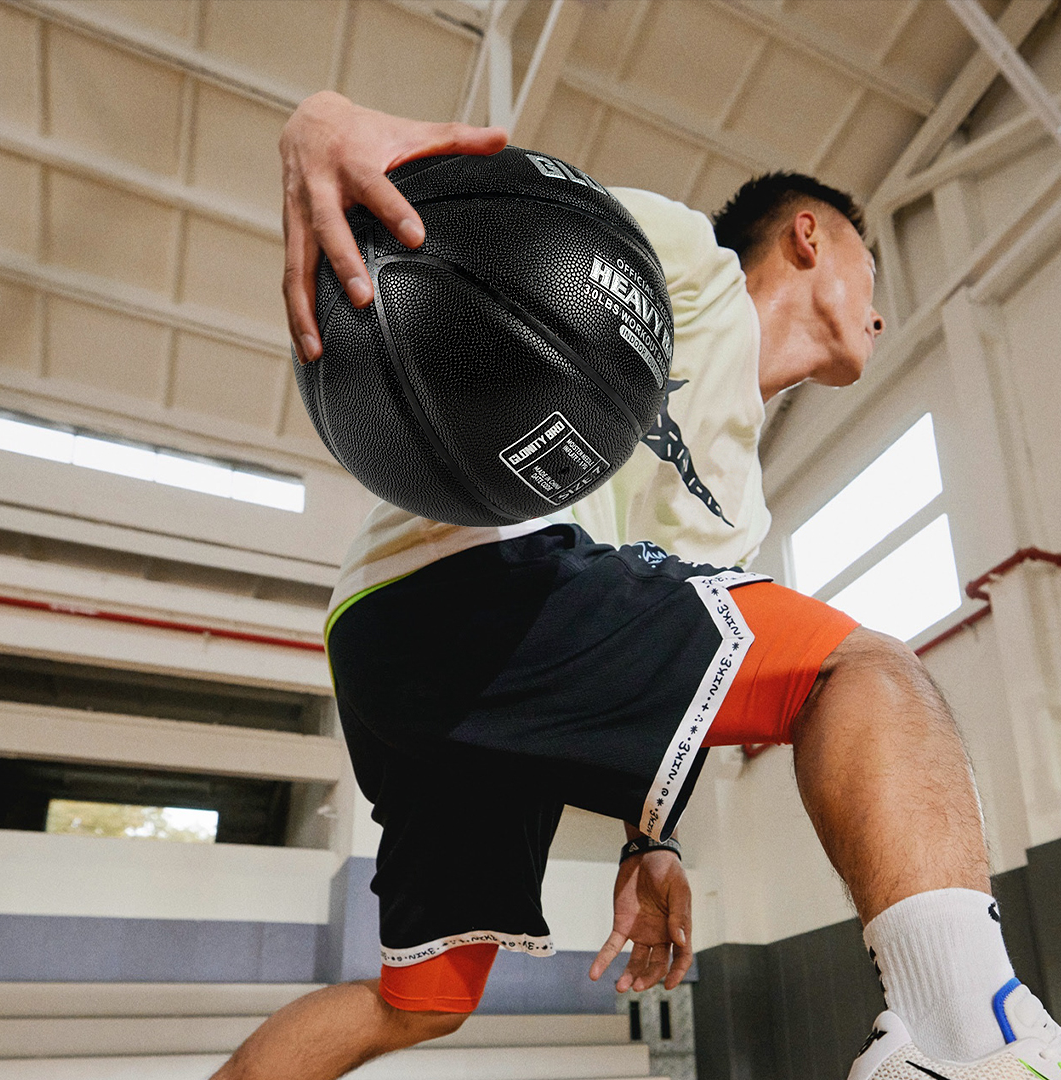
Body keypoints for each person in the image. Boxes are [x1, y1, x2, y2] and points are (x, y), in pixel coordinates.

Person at [212, 93, 1061, 1080]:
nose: (879, 312)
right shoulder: (691, 265)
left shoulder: (740, 512)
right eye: (872, 272)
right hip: (461, 579)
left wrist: (649, 846)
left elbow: (652, 657)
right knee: (866, 669)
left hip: (412, 663)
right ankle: (971, 1039)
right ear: (809, 236)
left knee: (420, 1003)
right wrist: (329, 125)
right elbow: (502, 233)